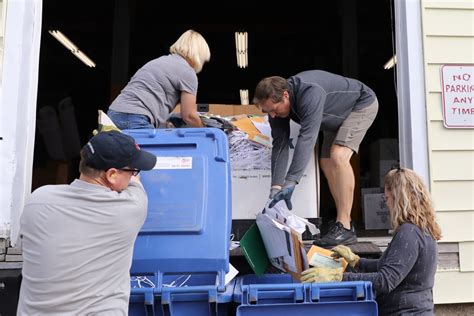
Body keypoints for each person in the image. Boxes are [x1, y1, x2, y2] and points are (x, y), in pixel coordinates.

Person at [17, 131, 157, 314]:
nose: (133, 175)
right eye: (133, 170)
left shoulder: (38, 199)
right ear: (112, 174)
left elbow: (26, 247)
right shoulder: (130, 208)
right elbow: (136, 185)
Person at [253, 70, 378, 246]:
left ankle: (345, 226)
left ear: (285, 96)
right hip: (333, 116)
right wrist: (275, 186)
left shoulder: (310, 92)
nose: (272, 116)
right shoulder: (277, 109)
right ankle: (344, 223)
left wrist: (291, 181)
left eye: (273, 110)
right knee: (326, 162)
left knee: (338, 155)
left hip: (360, 104)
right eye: (268, 112)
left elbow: (307, 139)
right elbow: (280, 146)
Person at [301, 168, 442, 315]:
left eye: (387, 198)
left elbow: (386, 280)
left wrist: (337, 277)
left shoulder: (409, 232)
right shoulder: (420, 229)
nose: (387, 205)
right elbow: (388, 266)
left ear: (399, 198)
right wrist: (356, 261)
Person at [107, 29, 210, 129]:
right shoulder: (187, 72)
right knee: (150, 147)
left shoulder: (157, 62)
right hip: (137, 117)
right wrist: (206, 129)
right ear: (199, 55)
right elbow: (189, 116)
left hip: (113, 114)